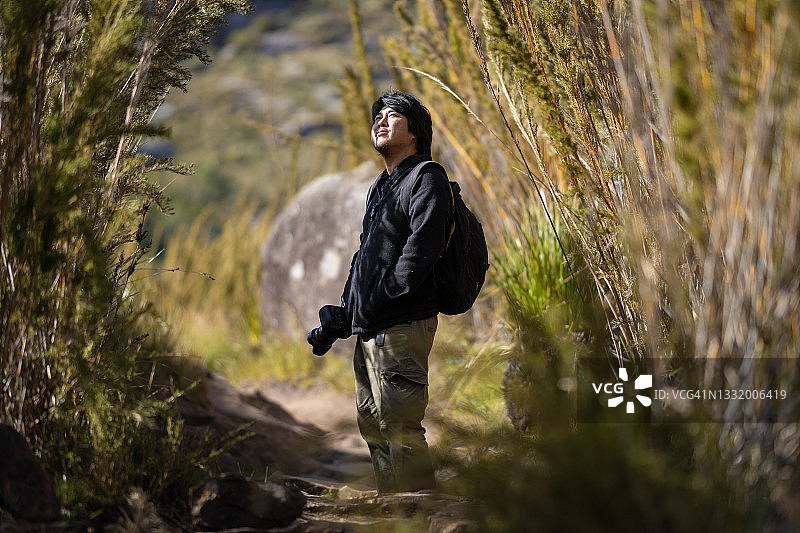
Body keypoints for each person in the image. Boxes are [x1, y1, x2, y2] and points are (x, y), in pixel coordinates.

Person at [308, 91, 452, 493]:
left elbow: (421, 251)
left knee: (400, 425)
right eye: (377, 116)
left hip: (403, 323)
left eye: (393, 116)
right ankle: (395, 509)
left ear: (416, 133)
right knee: (372, 423)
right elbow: (368, 255)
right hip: (372, 326)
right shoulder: (382, 187)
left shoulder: (426, 177)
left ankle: (422, 509)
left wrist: (383, 296)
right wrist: (347, 312)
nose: (381, 122)